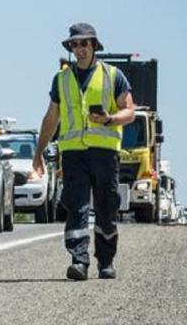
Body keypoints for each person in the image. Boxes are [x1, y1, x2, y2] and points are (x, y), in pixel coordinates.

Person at [32, 22, 135, 281]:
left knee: (106, 208)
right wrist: (38, 152)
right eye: (74, 44)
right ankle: (79, 260)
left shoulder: (113, 75)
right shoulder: (61, 79)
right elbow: (51, 117)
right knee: (76, 206)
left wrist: (110, 119)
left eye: (84, 43)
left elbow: (130, 111)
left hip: (104, 153)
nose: (79, 48)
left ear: (94, 46)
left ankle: (106, 262)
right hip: (73, 154)